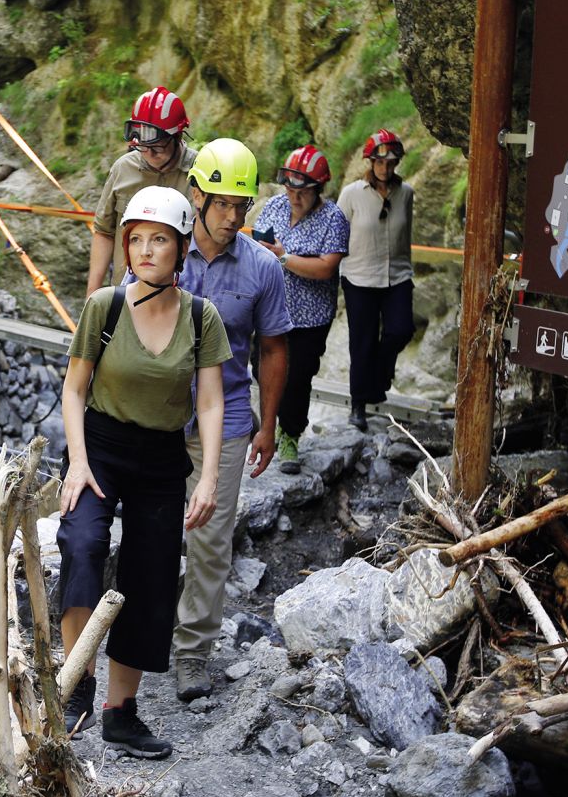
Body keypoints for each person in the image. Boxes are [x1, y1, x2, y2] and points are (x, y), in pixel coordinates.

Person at [57, 186, 231, 760]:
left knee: (151, 575)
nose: (145, 249)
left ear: (182, 249)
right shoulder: (104, 306)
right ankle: (76, 686)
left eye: (159, 239)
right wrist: (77, 463)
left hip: (161, 458)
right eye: (136, 239)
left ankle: (121, 713)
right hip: (101, 446)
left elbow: (210, 402)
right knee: (82, 544)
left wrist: (205, 479)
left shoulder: (202, 319)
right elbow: (74, 389)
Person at [171, 138, 292, 702]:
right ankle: (143, 635)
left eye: (241, 206)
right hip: (160, 417)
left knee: (212, 540)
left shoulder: (264, 268)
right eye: (221, 203)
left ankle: (192, 654)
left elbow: (272, 349)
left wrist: (269, 424)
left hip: (230, 419)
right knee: (152, 529)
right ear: (196, 195)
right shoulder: (163, 253)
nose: (232, 217)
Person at [253, 145, 349, 473]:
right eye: (290, 190)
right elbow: (255, 244)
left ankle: (290, 434)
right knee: (260, 369)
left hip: (310, 319)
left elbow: (325, 267)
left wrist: (283, 256)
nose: (294, 197)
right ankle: (268, 426)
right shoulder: (274, 206)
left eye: (302, 192)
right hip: (269, 308)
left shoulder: (333, 218)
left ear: (317, 189)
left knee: (296, 379)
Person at [337, 129, 415, 431]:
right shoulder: (352, 194)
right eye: (380, 162)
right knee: (362, 342)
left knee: (401, 330)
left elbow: (406, 234)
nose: (386, 168)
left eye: (391, 162)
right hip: (359, 277)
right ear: (370, 162)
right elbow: (338, 233)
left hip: (397, 275)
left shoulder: (406, 193)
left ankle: (380, 376)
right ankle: (359, 404)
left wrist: (408, 268)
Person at [86, 87, 197, 297]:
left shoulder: (199, 172)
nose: (149, 153)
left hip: (181, 297)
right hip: (125, 293)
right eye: (143, 147)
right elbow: (104, 232)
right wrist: (92, 294)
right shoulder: (123, 169)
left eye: (157, 147)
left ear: (177, 135)